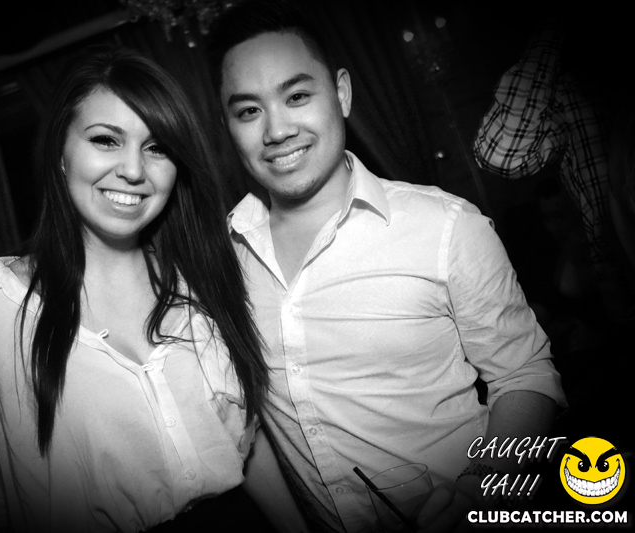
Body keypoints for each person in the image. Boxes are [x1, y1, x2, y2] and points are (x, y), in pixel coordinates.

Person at [206, 1, 567, 531]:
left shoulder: (446, 226)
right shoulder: (220, 258)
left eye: (297, 96)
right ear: (228, 126)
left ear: (341, 93)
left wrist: (482, 489)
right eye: (248, 111)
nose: (277, 130)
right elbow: (242, 420)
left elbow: (525, 375)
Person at [0, 45, 305, 533]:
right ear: (60, 152)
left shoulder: (203, 277)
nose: (133, 170)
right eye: (106, 140)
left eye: (157, 148)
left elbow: (249, 444)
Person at [472, 15, 634, 324]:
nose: (553, 225)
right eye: (550, 217)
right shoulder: (577, 94)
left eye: (557, 216)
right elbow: (501, 154)